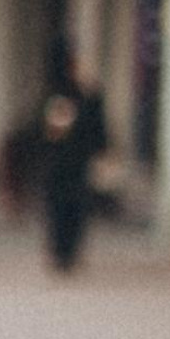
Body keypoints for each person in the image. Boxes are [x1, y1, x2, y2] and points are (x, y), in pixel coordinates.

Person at [39, 65, 109, 274]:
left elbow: (98, 132)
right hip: (58, 167)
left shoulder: (90, 100)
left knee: (76, 211)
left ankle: (69, 252)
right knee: (59, 211)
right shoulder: (56, 98)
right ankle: (60, 252)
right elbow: (46, 134)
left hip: (77, 166)